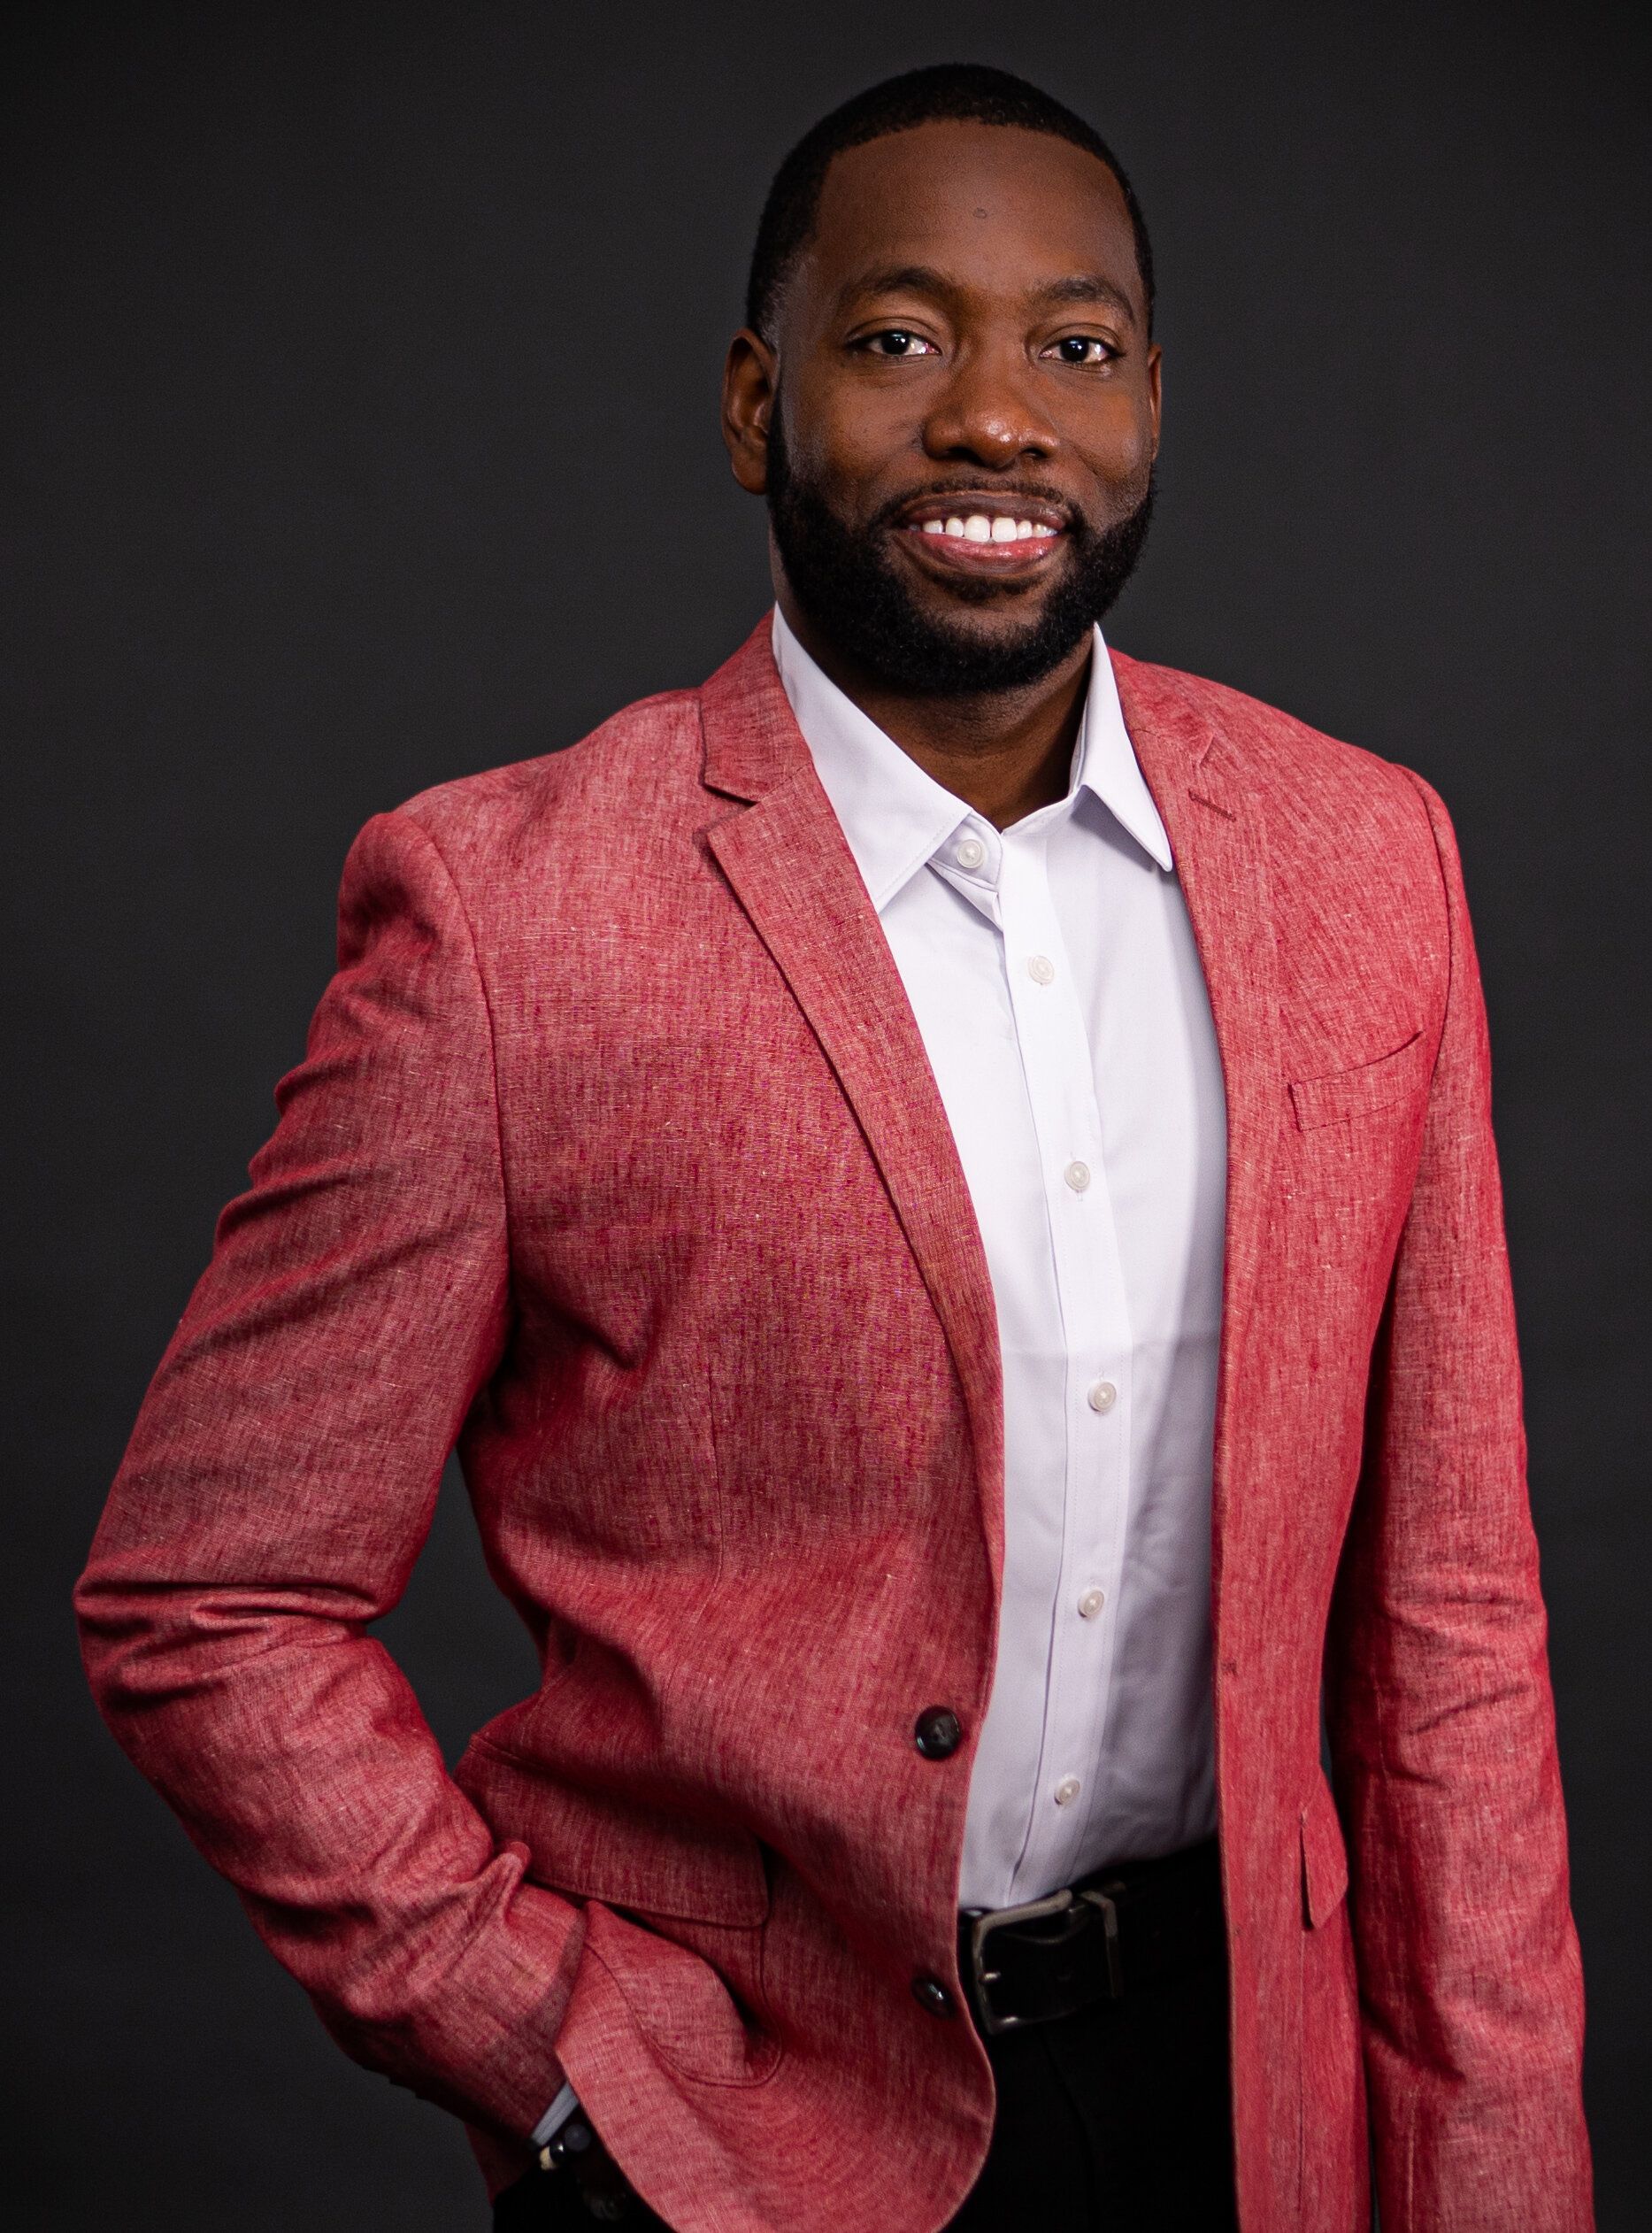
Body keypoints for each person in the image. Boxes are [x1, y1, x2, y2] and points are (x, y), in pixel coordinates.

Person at [76, 62, 1592, 2233]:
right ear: (752, 403)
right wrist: (556, 2059)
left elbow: (1450, 1615)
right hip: (739, 2149)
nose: (997, 417)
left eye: (1071, 346)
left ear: (1150, 404)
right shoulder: (511, 914)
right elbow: (207, 1589)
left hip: (1261, 2110)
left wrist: (1497, 2183)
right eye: (898, 341)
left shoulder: (1367, 861)